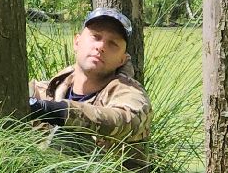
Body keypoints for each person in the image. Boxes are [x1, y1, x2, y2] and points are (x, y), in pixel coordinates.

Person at [26, 8, 150, 144]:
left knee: (69, 141)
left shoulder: (129, 93)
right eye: (96, 37)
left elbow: (126, 119)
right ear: (77, 42)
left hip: (104, 165)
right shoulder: (46, 91)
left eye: (113, 43)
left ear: (122, 59)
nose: (101, 46)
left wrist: (58, 111)